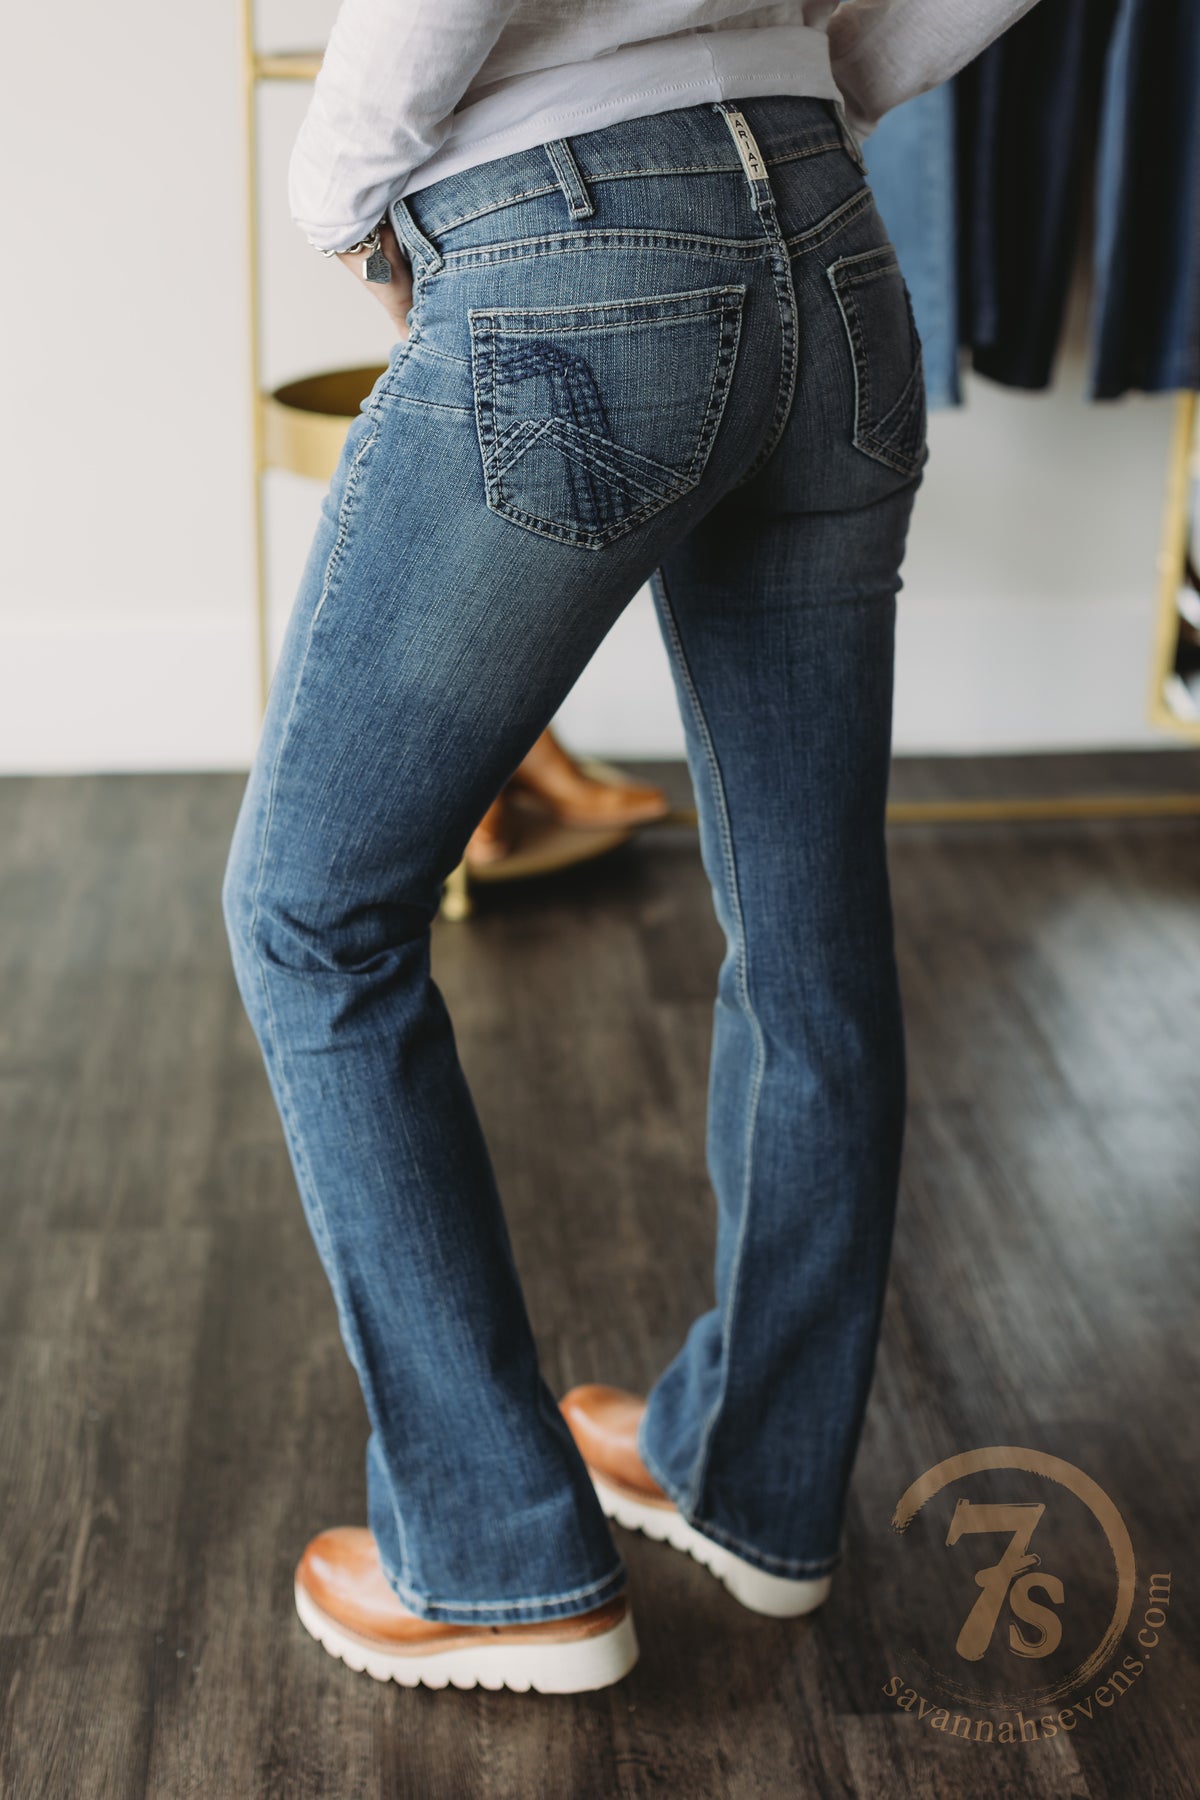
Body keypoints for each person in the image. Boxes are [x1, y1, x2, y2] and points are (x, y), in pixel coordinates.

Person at [222, 0, 1041, 1695]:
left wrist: (339, 187)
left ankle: (495, 1556)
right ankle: (755, 1482)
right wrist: (832, 80)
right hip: (824, 234)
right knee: (808, 929)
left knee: (314, 915)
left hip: (568, 236)